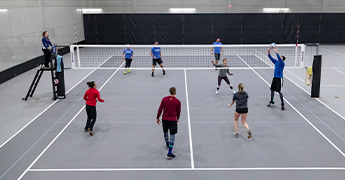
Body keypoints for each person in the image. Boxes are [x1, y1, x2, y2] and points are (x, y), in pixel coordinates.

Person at [156, 87, 181, 159]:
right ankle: (169, 152)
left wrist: (157, 117)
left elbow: (160, 109)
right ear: (175, 92)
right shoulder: (177, 101)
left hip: (165, 119)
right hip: (173, 120)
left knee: (165, 132)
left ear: (169, 92)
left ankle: (167, 143)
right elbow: (178, 112)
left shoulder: (164, 99)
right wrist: (177, 118)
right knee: (172, 135)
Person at [267, 46, 286, 110]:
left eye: (281, 57)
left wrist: (276, 52)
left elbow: (279, 59)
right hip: (275, 78)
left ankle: (282, 103)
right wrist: (269, 50)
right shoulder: (276, 62)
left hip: (279, 79)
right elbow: (269, 57)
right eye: (280, 56)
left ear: (282, 59)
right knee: (272, 89)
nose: (280, 57)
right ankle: (272, 100)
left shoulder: (282, 63)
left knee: (279, 91)